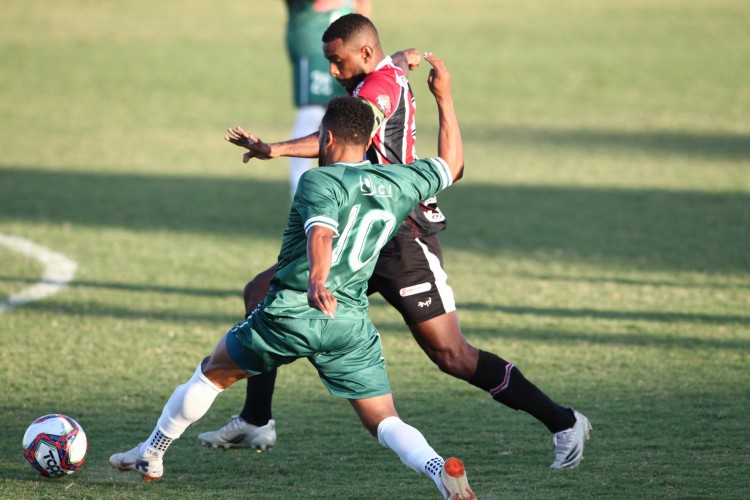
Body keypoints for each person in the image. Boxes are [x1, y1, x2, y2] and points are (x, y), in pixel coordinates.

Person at [210, 13, 591, 470]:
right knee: (260, 292)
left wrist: (276, 149)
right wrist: (397, 57)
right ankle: (256, 419)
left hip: (402, 236)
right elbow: (375, 79)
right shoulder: (379, 73)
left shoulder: (378, 89)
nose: (332, 71)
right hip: (362, 228)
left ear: (365, 54)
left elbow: (341, 136)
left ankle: (565, 421)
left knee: (451, 354)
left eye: (337, 61)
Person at [110, 54, 477, 499]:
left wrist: (317, 281)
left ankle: (153, 450)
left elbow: (321, 232)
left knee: (210, 374)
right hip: (350, 324)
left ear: (329, 136)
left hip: (291, 312)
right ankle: (439, 470)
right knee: (384, 420)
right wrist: (444, 98)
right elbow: (452, 165)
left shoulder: (318, 182)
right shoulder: (399, 180)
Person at [284, 0, 372, 197]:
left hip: (349, 52)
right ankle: (298, 189)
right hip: (315, 49)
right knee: (312, 113)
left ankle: (352, 187)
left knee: (351, 116)